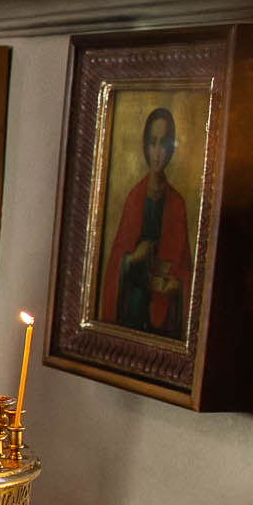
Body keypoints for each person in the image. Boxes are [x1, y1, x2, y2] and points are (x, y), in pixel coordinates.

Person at [99, 107, 191, 337]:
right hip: (134, 308)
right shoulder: (135, 198)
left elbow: (185, 270)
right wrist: (132, 259)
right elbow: (114, 268)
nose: (158, 152)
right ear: (145, 146)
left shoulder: (177, 204)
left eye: (163, 144)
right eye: (153, 143)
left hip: (162, 313)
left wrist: (177, 283)